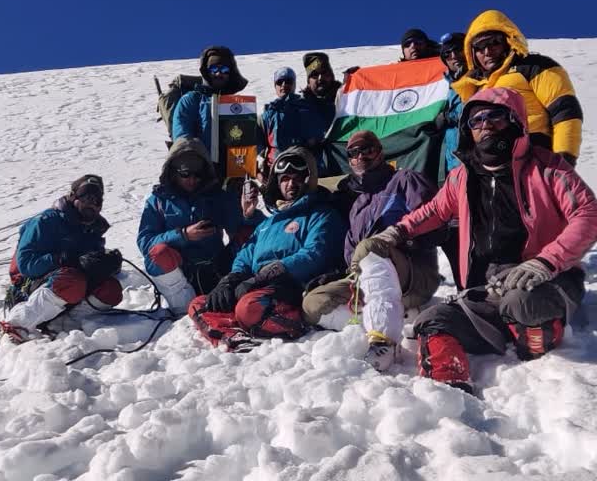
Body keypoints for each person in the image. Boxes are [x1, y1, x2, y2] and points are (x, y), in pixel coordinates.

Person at [353, 87, 597, 394]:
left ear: (515, 120)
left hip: (544, 278)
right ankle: (449, 385)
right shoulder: (462, 176)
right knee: (431, 320)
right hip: (486, 289)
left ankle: (534, 336)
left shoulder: (547, 167)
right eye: (477, 120)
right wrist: (397, 232)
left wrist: (546, 261)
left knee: (522, 303)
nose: (485, 126)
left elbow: (587, 213)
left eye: (495, 117)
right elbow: (433, 211)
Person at [302, 131, 441, 371]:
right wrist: (336, 275)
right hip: (368, 282)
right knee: (313, 303)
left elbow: (434, 223)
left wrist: (401, 242)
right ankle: (390, 318)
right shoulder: (359, 204)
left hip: (415, 275)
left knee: (369, 248)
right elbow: (350, 256)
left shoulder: (405, 180)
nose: (360, 157)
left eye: (367, 150)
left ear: (380, 152)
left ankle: (383, 340)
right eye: (353, 153)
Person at [187, 147, 347, 351]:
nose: (290, 184)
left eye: (297, 177)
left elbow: (315, 254)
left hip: (291, 285)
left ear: (308, 179)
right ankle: (231, 334)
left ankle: (293, 323)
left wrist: (269, 273)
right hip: (256, 285)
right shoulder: (269, 222)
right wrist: (232, 278)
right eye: (285, 178)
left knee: (248, 308)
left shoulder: (322, 215)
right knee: (200, 303)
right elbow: (247, 253)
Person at [137, 138, 262, 314]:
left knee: (249, 234)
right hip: (181, 274)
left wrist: (248, 214)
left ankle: (242, 286)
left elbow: (246, 231)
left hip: (216, 269)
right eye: (185, 174)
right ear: (173, 172)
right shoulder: (158, 201)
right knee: (158, 253)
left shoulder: (218, 197)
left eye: (198, 175)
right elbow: (145, 242)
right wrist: (183, 235)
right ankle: (183, 307)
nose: (192, 180)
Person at [0, 175, 123, 344]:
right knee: (71, 280)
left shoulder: (93, 231)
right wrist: (62, 258)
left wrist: (107, 264)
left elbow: (88, 263)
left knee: (111, 289)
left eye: (97, 200)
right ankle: (16, 325)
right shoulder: (46, 222)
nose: (92, 203)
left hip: (67, 288)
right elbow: (27, 265)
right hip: (30, 286)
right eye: (87, 197)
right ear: (73, 197)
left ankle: (62, 323)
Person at [453, 10, 583, 166]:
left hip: (534, 157)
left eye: (494, 42)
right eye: (480, 47)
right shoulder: (473, 87)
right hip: (491, 169)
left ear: (509, 41)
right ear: (472, 53)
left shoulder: (533, 66)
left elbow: (564, 112)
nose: (487, 51)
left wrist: (563, 160)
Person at [171, 46, 248, 175]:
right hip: (200, 173)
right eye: (214, 68)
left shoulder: (239, 105)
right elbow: (183, 137)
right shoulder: (191, 100)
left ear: (230, 73)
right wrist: (194, 167)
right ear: (207, 71)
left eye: (224, 69)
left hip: (233, 173)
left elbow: (247, 140)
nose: (219, 73)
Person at [437, 32, 467, 289]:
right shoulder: (446, 86)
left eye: (458, 50)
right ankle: (463, 285)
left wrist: (456, 117)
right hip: (452, 170)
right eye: (447, 53)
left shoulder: (477, 78)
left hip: (477, 167)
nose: (454, 56)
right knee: (454, 233)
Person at [299, 52, 342, 176]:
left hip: (347, 175)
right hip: (313, 178)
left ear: (331, 75)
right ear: (308, 81)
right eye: (314, 75)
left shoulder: (346, 101)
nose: (320, 78)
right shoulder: (299, 110)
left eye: (324, 73)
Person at [258, 66, 302, 177]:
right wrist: (258, 170)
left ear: (294, 84)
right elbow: (258, 147)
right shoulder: (266, 116)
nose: (283, 85)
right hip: (275, 171)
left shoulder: (306, 109)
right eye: (279, 82)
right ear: (275, 86)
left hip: (302, 169)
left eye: (288, 81)